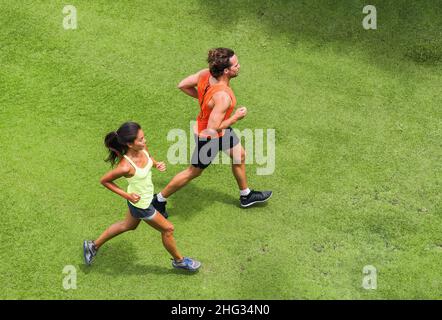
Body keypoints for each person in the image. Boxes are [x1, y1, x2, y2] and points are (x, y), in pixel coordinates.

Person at [152, 48, 272, 216]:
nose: (239, 66)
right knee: (193, 172)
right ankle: (158, 200)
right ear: (226, 70)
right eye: (236, 65)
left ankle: (246, 195)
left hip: (219, 130)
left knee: (240, 155)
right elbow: (213, 128)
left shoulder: (204, 74)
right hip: (209, 136)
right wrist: (236, 117)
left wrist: (205, 100)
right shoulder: (223, 97)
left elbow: (183, 84)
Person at [83, 121, 201, 272]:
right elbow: (105, 181)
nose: (144, 141)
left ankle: (92, 246)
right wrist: (127, 195)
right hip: (141, 205)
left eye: (143, 137)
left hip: (144, 200)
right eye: (140, 139)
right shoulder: (126, 166)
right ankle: (179, 261)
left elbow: (148, 157)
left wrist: (156, 164)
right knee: (168, 229)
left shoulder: (142, 148)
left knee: (127, 225)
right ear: (130, 144)